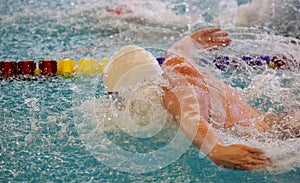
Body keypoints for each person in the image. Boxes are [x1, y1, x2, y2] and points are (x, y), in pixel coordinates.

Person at [103, 28, 298, 171]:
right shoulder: (174, 64)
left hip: (275, 135)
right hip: (278, 123)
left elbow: (190, 116)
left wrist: (216, 149)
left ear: (136, 86)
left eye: (118, 98)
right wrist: (190, 42)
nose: (120, 105)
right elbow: (177, 51)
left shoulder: (168, 92)